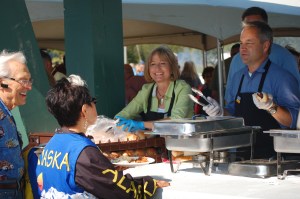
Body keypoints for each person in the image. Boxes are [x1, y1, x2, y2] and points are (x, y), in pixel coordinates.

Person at [35, 74, 170, 198]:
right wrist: (149, 184)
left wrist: (106, 168)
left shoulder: (51, 144)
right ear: (84, 110)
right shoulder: (84, 152)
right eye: (93, 101)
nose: (95, 105)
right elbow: (120, 191)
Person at [202, 21, 300, 159]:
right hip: (242, 155)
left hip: (275, 158)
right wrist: (220, 112)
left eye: (249, 43)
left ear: (265, 46)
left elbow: (293, 121)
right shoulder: (237, 77)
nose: (242, 48)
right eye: (241, 43)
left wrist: (271, 107)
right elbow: (234, 112)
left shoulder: (282, 78)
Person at [225, 7, 300, 103]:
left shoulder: (285, 57)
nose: (251, 30)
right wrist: (221, 112)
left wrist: (272, 107)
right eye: (247, 27)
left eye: (257, 25)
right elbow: (231, 100)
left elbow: (295, 100)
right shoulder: (236, 60)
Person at [115, 46, 193, 132]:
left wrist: (141, 124)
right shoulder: (146, 90)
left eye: (162, 63)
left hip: (181, 143)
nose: (157, 68)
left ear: (172, 67)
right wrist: (116, 121)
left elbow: (176, 121)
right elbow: (124, 114)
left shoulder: (183, 88)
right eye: (152, 64)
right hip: (154, 143)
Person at [0, 50, 33, 198]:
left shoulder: (6, 112)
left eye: (29, 81)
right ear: (2, 82)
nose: (29, 87)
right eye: (23, 81)